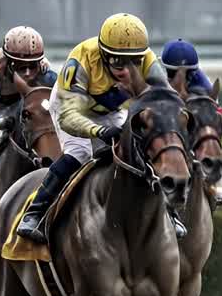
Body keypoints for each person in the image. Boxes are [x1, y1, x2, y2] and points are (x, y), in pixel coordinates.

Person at [14, 12, 176, 242]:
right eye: (118, 61)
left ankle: (170, 211)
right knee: (80, 152)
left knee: (140, 148)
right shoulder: (81, 60)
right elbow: (69, 117)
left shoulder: (147, 59)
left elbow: (164, 98)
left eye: (134, 61)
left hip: (109, 110)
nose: (127, 70)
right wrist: (98, 132)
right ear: (103, 54)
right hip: (70, 106)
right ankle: (35, 213)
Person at [0, 26, 58, 170]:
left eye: (32, 66)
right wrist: (3, 123)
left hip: (24, 106)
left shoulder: (45, 70)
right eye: (20, 66)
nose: (27, 73)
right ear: (7, 61)